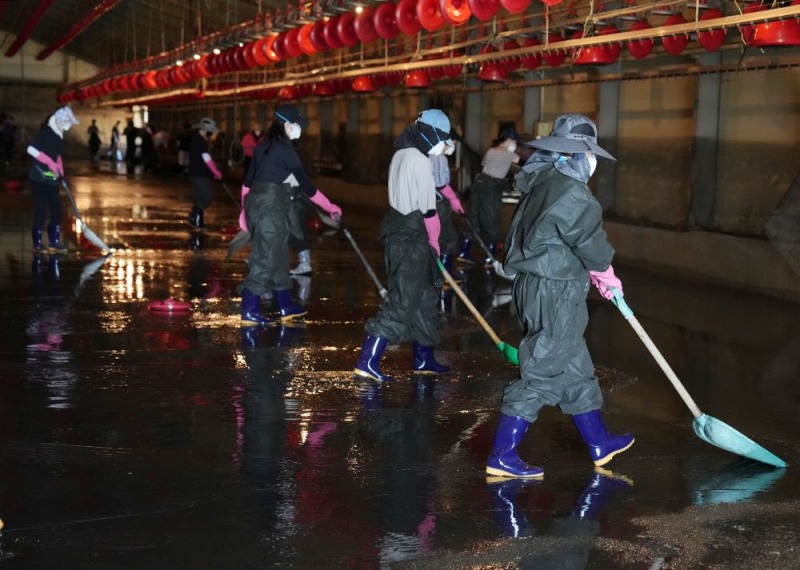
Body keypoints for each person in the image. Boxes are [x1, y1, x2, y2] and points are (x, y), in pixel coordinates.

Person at [485, 113, 633, 479]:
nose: (593, 162)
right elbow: (589, 242)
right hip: (556, 290)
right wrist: (606, 275)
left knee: (576, 368)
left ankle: (599, 441)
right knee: (543, 371)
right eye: (591, 154)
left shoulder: (544, 181)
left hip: (534, 286)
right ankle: (502, 454)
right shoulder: (573, 192)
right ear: (580, 154)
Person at [353, 109, 453, 382]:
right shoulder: (420, 161)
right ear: (432, 135)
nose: (442, 147)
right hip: (413, 240)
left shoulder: (399, 154)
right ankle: (367, 360)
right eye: (442, 140)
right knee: (401, 301)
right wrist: (435, 244)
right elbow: (429, 210)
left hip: (397, 233)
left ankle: (424, 359)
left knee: (422, 299)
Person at [237, 104, 342, 326]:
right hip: (271, 206)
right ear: (286, 124)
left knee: (278, 255)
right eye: (297, 126)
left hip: (258, 203)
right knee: (264, 258)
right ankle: (249, 309)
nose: (300, 130)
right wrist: (330, 206)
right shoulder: (287, 151)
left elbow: (247, 183)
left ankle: (286, 305)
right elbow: (307, 187)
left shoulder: (261, 146)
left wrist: (244, 212)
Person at [457, 128, 520, 265]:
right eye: (514, 140)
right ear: (508, 140)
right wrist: (510, 152)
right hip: (491, 188)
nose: (515, 143)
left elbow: (484, 164)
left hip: (478, 185)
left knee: (473, 217)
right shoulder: (509, 154)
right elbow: (517, 159)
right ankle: (489, 259)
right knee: (491, 221)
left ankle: (464, 252)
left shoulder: (490, 151)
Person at [27, 106, 79, 252]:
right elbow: (31, 149)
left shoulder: (58, 135)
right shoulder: (46, 133)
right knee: (41, 211)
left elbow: (57, 156)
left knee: (56, 210)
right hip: (38, 179)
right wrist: (48, 162)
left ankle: (53, 241)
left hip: (51, 180)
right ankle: (37, 243)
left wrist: (61, 174)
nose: (68, 126)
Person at [430, 141, 464, 274]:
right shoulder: (438, 158)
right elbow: (441, 184)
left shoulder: (422, 154)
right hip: (437, 202)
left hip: (424, 201)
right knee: (447, 237)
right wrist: (453, 199)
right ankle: (443, 274)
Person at [187, 117, 223, 228]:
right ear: (203, 130)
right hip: (200, 174)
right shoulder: (200, 141)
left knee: (200, 197)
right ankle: (196, 218)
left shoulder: (197, 139)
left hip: (196, 173)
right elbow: (206, 159)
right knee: (206, 198)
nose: (211, 133)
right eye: (210, 131)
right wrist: (216, 172)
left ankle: (195, 217)